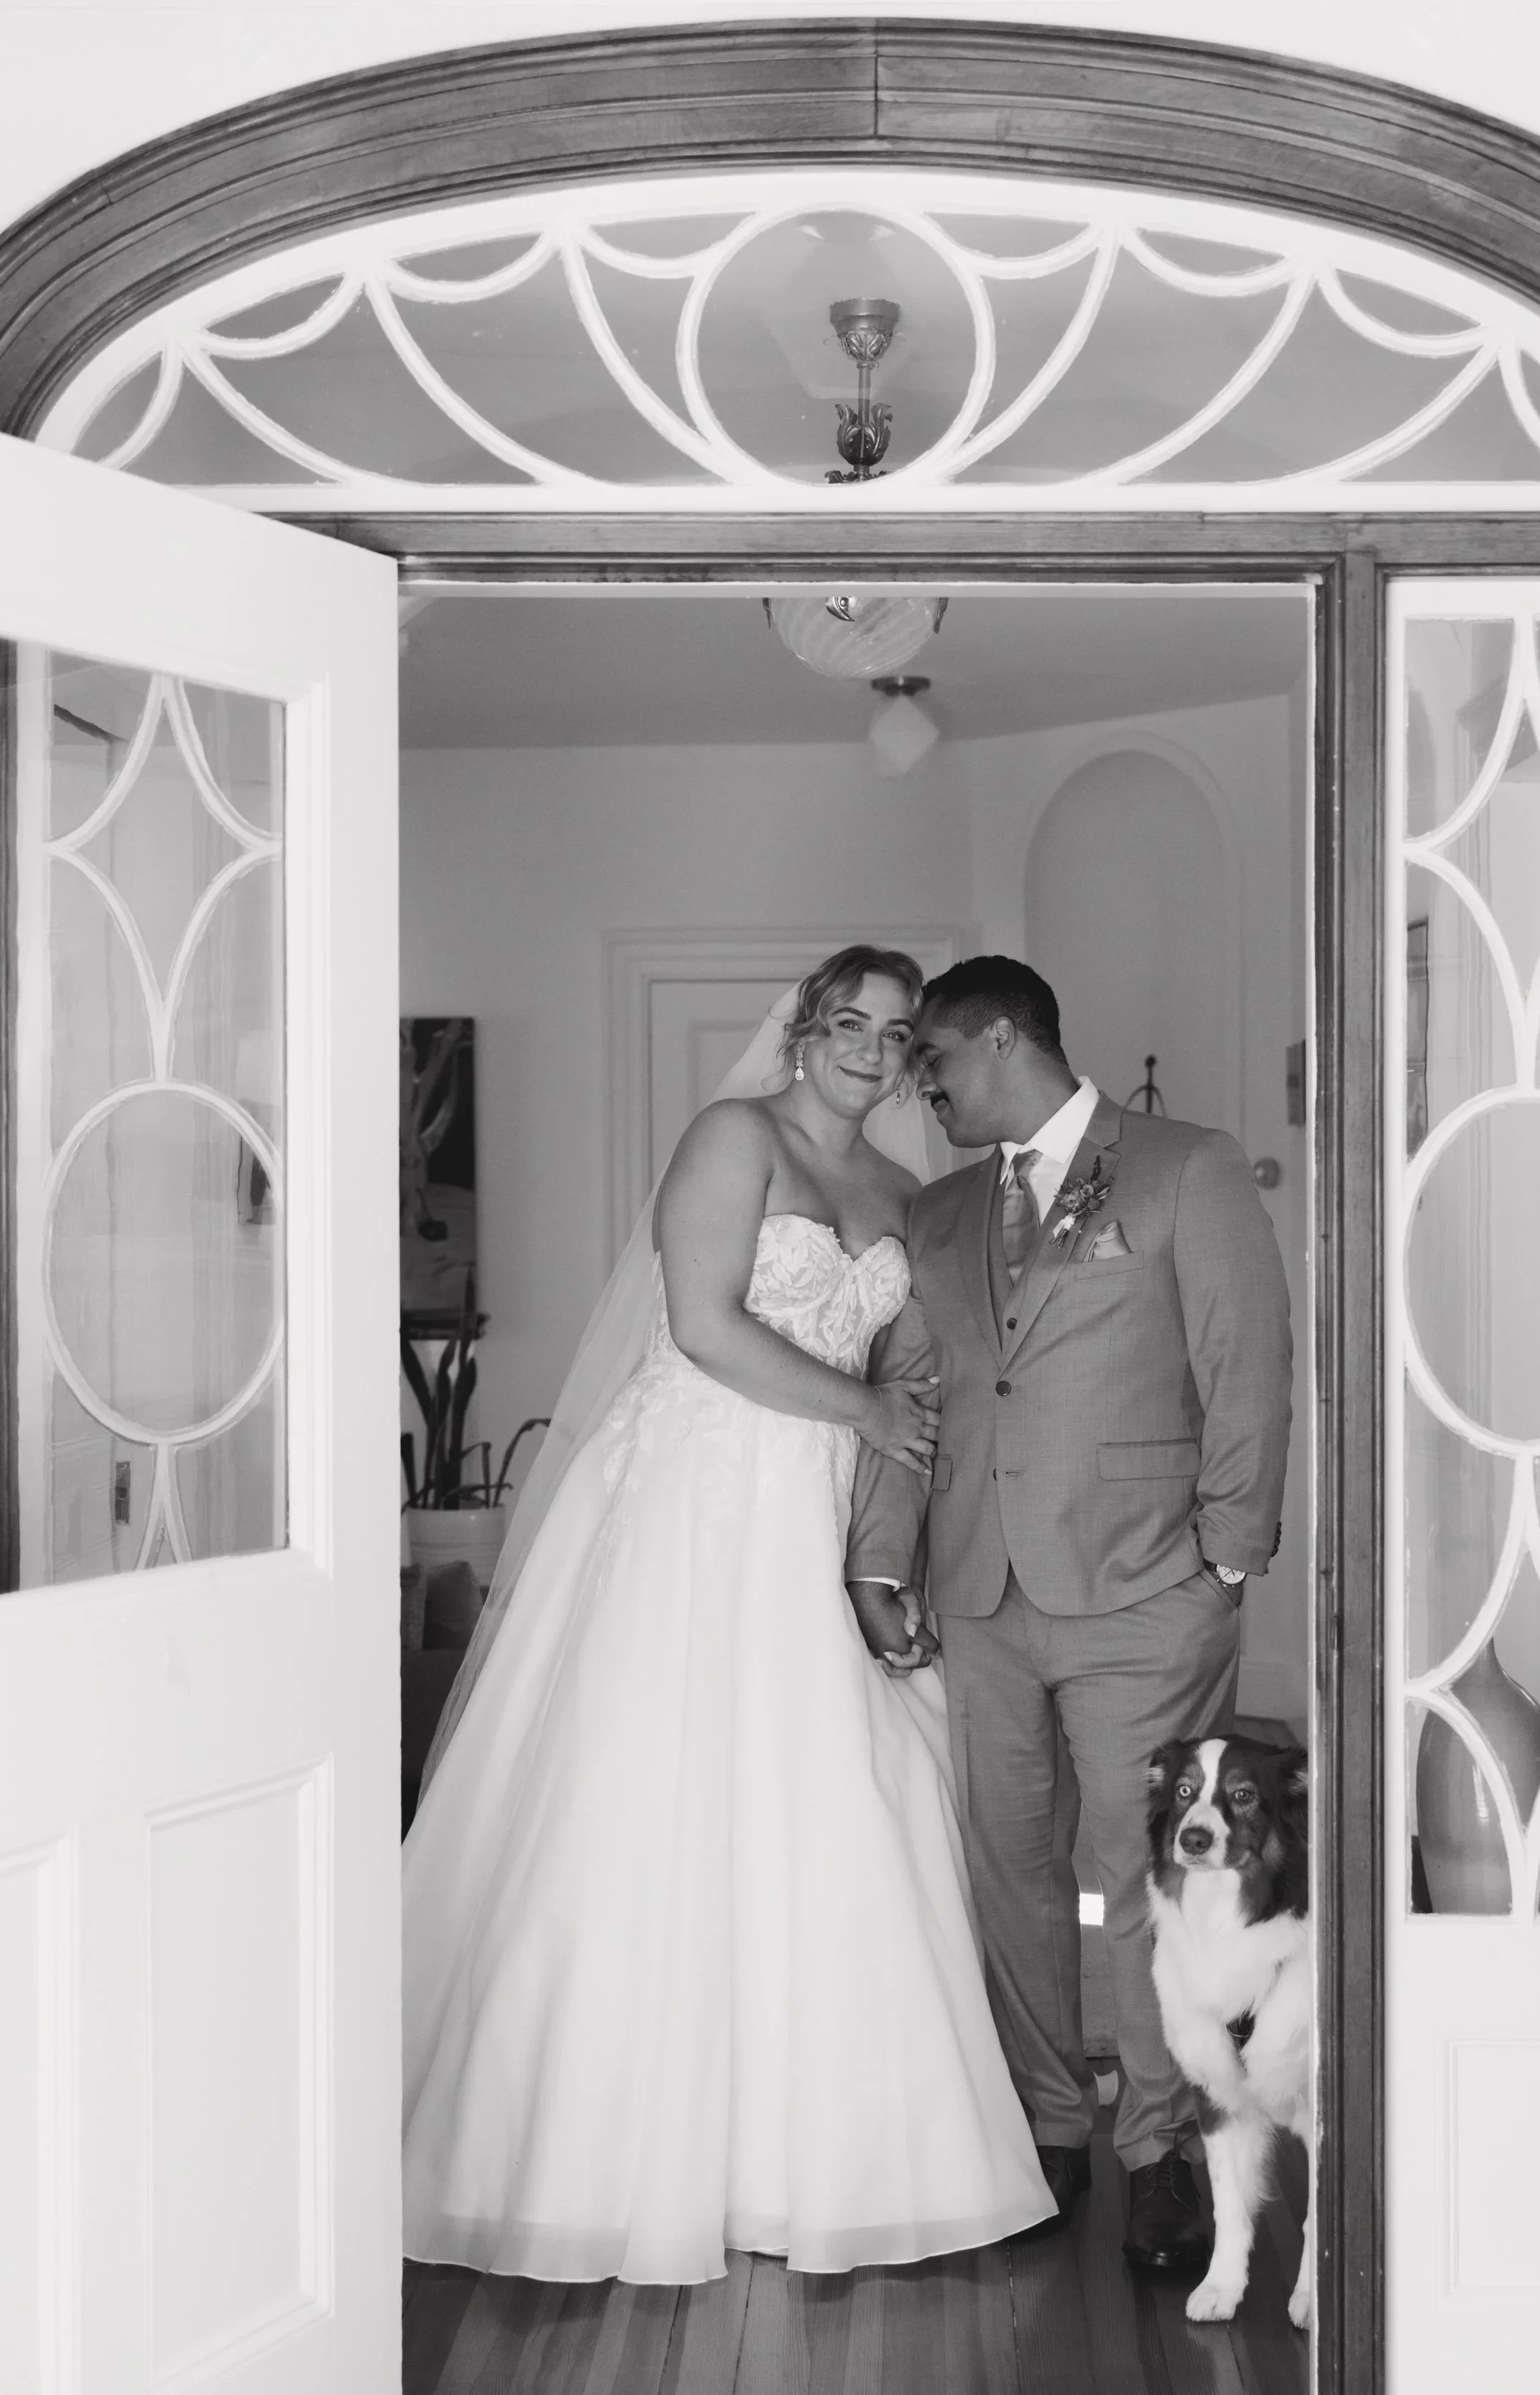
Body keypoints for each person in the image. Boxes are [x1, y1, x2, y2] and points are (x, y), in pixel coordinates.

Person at [402, 946, 1055, 2286]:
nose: (874, 1049)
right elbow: (701, 1326)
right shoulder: (731, 1137)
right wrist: (872, 1409)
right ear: (804, 1029)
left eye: (896, 1034)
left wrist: (899, 1506)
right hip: (699, 1493)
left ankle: (840, 2154)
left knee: (832, 1791)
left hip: (820, 1501)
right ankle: (592, 2154)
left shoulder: (910, 1191)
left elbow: (921, 1361)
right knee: (650, 1787)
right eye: (851, 1023)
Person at [847, 955, 1293, 2271]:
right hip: (977, 1594)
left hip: (1145, 1595)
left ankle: (1160, 2153)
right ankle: (1050, 2126)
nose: (918, 1087)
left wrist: (1225, 1563)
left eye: (932, 1060)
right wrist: (885, 1565)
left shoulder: (1182, 1168)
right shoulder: (934, 1217)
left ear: (1000, 1039)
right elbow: (911, 1406)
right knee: (1009, 1876)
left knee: (1145, 1886)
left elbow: (1248, 1371)